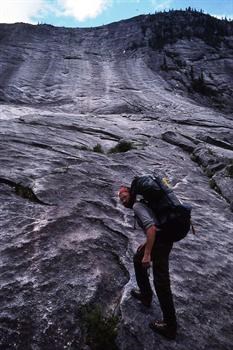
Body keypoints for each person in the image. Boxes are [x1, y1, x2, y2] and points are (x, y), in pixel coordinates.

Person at [118, 184, 177, 340]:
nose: (123, 201)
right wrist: (146, 245)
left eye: (124, 197)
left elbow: (151, 228)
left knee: (161, 282)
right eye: (120, 199)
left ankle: (170, 327)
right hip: (161, 238)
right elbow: (154, 223)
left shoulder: (137, 205)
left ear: (131, 194)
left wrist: (148, 253)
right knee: (137, 259)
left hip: (162, 242)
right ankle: (145, 295)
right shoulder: (142, 202)